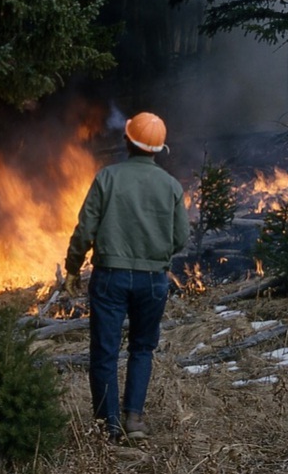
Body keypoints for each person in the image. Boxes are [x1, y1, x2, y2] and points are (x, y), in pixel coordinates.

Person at [63, 111, 190, 441]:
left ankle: (109, 425)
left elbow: (85, 230)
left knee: (104, 351)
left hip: (110, 277)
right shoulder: (172, 186)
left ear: (127, 141)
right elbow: (180, 239)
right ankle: (133, 419)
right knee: (142, 349)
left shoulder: (107, 177)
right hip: (152, 280)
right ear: (159, 149)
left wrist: (73, 269)